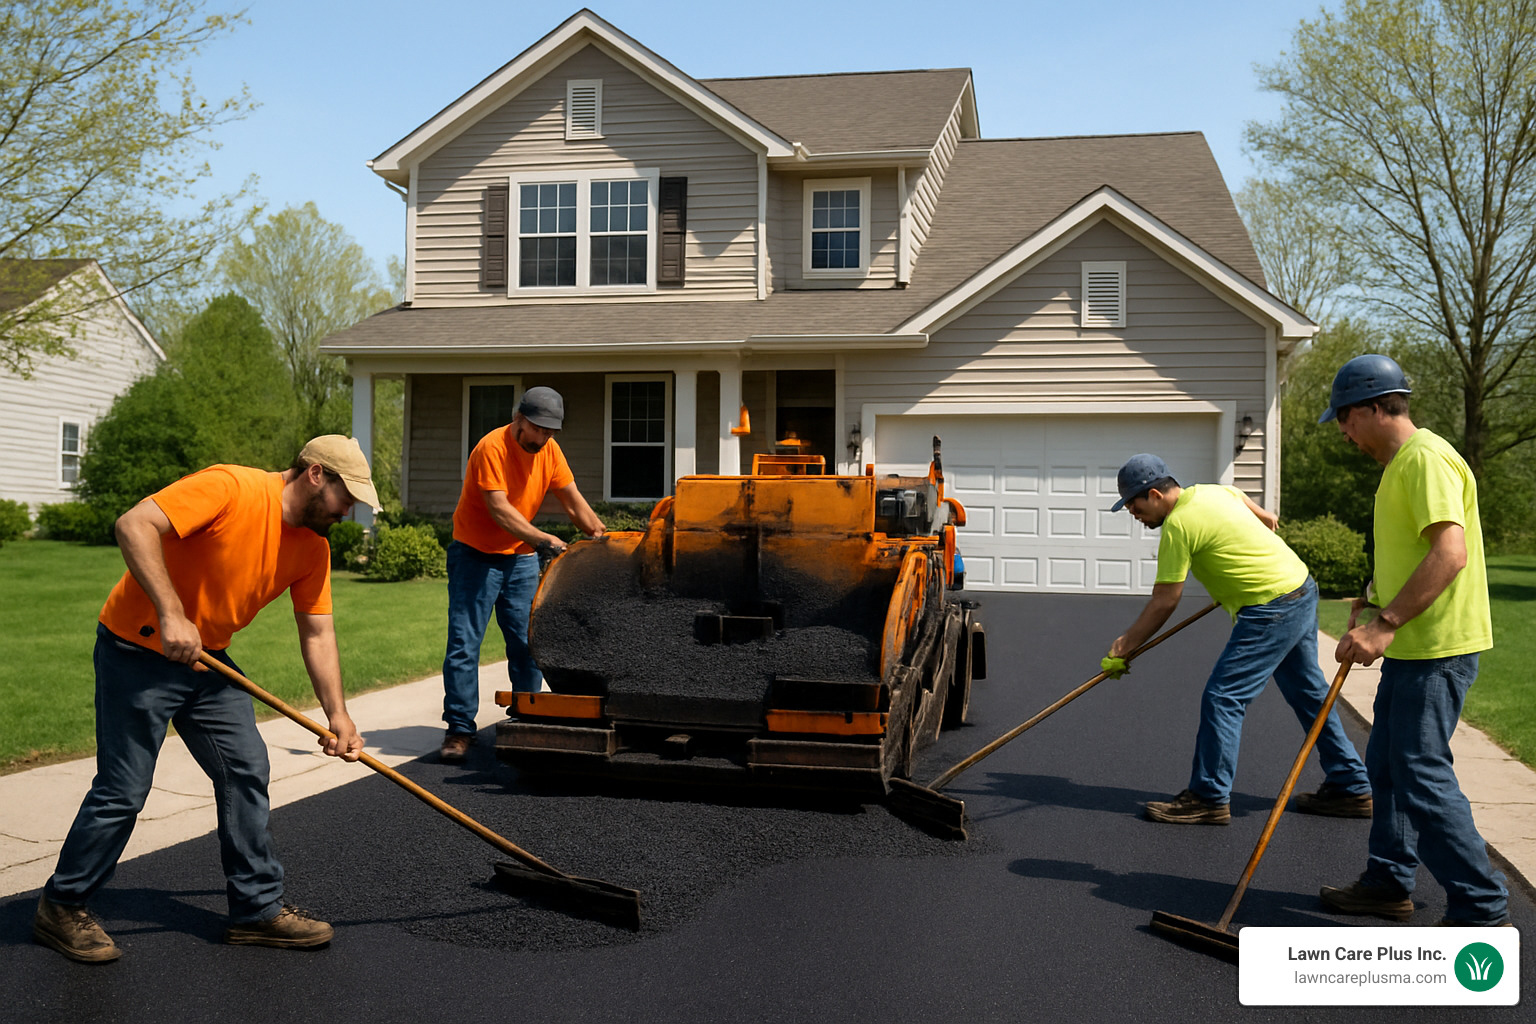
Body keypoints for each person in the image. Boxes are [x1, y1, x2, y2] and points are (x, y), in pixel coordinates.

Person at [34, 436, 379, 963]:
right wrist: (172, 612)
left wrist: (339, 715)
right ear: (315, 475)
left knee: (245, 768)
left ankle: (256, 911)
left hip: (206, 661)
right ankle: (62, 907)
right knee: (124, 788)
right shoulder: (231, 488)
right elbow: (134, 525)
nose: (347, 511)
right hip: (138, 648)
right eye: (345, 497)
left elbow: (318, 633)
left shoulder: (313, 547)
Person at [1316, 354, 1508, 926]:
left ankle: (1480, 904)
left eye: (1346, 419)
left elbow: (1451, 552)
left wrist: (1386, 624)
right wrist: (1371, 601)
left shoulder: (1425, 458)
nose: (1344, 431)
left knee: (1420, 772)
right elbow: (1415, 549)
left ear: (1375, 408)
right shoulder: (1402, 465)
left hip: (1437, 648)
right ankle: (1388, 882)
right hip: (1414, 647)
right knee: (1388, 766)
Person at [1105, 453, 1370, 825]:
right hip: (1300, 586)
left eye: (1133, 504)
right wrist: (1264, 515)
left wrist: (1125, 644)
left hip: (1270, 608)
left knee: (1223, 697)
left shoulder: (1179, 525)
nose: (1133, 512)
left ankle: (1208, 796)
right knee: (1308, 694)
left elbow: (1165, 600)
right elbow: (1237, 494)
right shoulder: (1208, 493)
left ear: (1154, 494)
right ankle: (1352, 786)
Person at [439, 386, 605, 763]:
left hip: (520, 560)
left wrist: (601, 537)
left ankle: (528, 717)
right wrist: (544, 539)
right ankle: (460, 729)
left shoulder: (550, 452)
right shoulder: (491, 449)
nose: (544, 438)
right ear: (519, 420)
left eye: (551, 432)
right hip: (474, 557)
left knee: (528, 643)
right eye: (538, 429)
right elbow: (500, 510)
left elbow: (573, 499)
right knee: (465, 645)